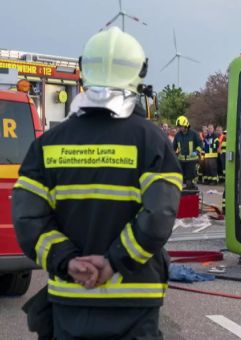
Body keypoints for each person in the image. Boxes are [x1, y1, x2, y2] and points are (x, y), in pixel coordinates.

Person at [11, 26, 182, 339]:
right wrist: (113, 263)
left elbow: (27, 219)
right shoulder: (152, 141)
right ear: (139, 73)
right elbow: (159, 216)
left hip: (71, 298)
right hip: (134, 300)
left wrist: (69, 262)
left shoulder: (48, 144)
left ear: (83, 71)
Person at [173, 115, 203, 190]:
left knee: (190, 181)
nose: (179, 128)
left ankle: (191, 189)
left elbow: (200, 144)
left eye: (181, 126)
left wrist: (196, 151)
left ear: (186, 125)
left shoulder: (193, 134)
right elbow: (174, 147)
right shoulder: (177, 135)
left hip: (192, 160)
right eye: (178, 127)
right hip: (181, 160)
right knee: (181, 179)